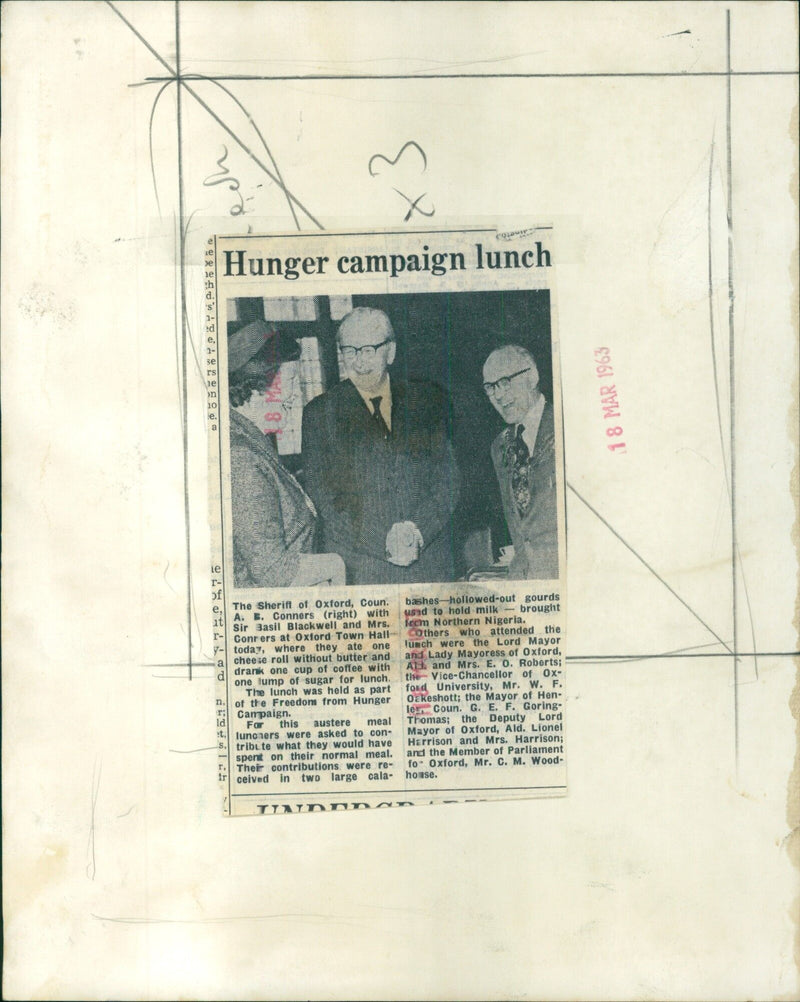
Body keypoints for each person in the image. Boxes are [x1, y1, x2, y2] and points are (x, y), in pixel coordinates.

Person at [301, 307, 460, 584]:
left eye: (369, 349)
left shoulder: (425, 401)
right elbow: (325, 499)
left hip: (430, 569)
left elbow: (448, 479)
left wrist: (417, 530)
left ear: (391, 351)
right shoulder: (319, 414)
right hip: (364, 572)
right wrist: (384, 542)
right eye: (349, 350)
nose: (359, 362)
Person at [228, 319, 344, 588]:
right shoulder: (242, 458)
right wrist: (335, 565)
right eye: (291, 381)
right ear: (259, 383)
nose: (294, 394)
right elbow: (274, 572)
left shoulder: (252, 440)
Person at [482, 344, 559, 579]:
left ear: (532, 376)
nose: (498, 394)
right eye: (490, 387)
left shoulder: (566, 424)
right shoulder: (500, 445)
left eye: (505, 382)